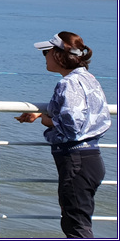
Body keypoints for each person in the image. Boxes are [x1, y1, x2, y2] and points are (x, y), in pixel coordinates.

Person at [16, 32, 111, 238]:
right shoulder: (89, 79)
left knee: (76, 227)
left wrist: (47, 121)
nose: (44, 57)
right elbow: (89, 115)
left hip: (76, 161)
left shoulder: (68, 83)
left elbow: (73, 127)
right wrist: (42, 113)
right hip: (91, 158)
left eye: (46, 52)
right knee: (78, 220)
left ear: (59, 55)